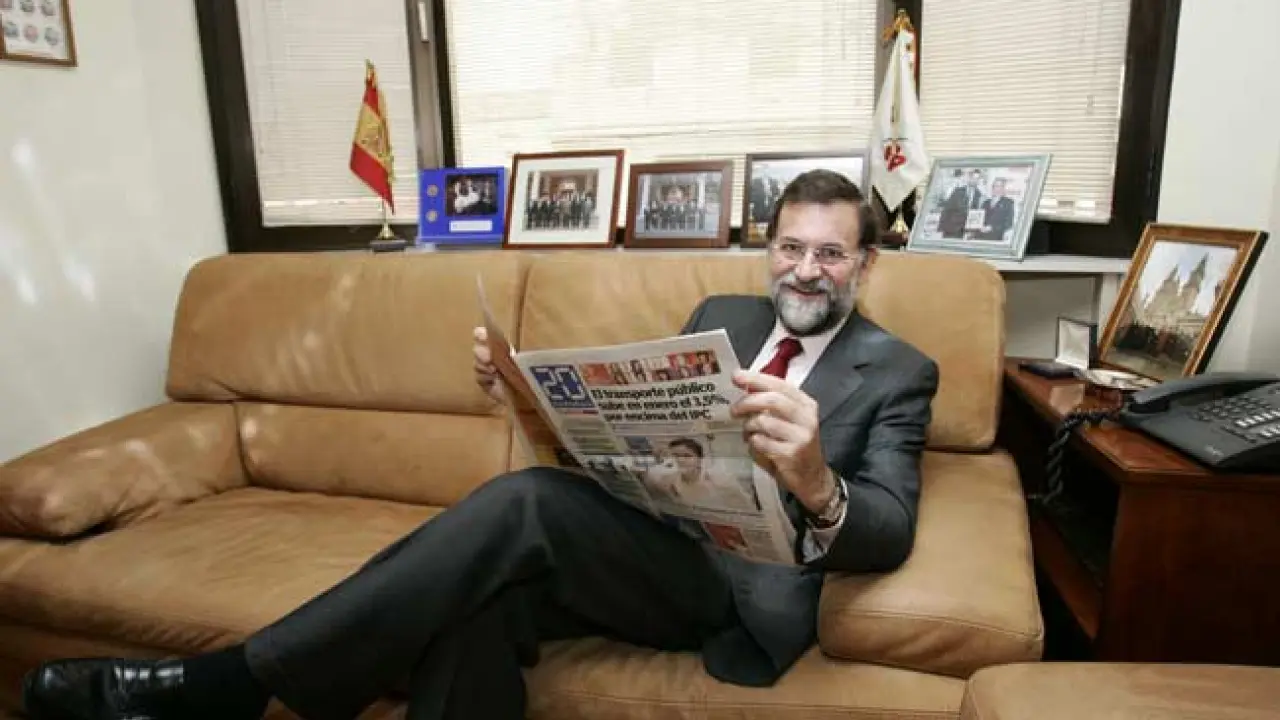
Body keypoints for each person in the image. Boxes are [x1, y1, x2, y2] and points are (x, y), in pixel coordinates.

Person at [21, 169, 940, 720]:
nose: (804, 271)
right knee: (475, 602)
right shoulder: (722, 316)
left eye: (830, 254)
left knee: (523, 505)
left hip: (738, 592)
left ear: (864, 265)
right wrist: (529, 406)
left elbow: (891, 526)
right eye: (789, 248)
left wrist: (815, 480)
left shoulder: (897, 371)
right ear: (767, 249)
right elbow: (633, 450)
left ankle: (229, 685)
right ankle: (237, 685)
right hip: (648, 547)